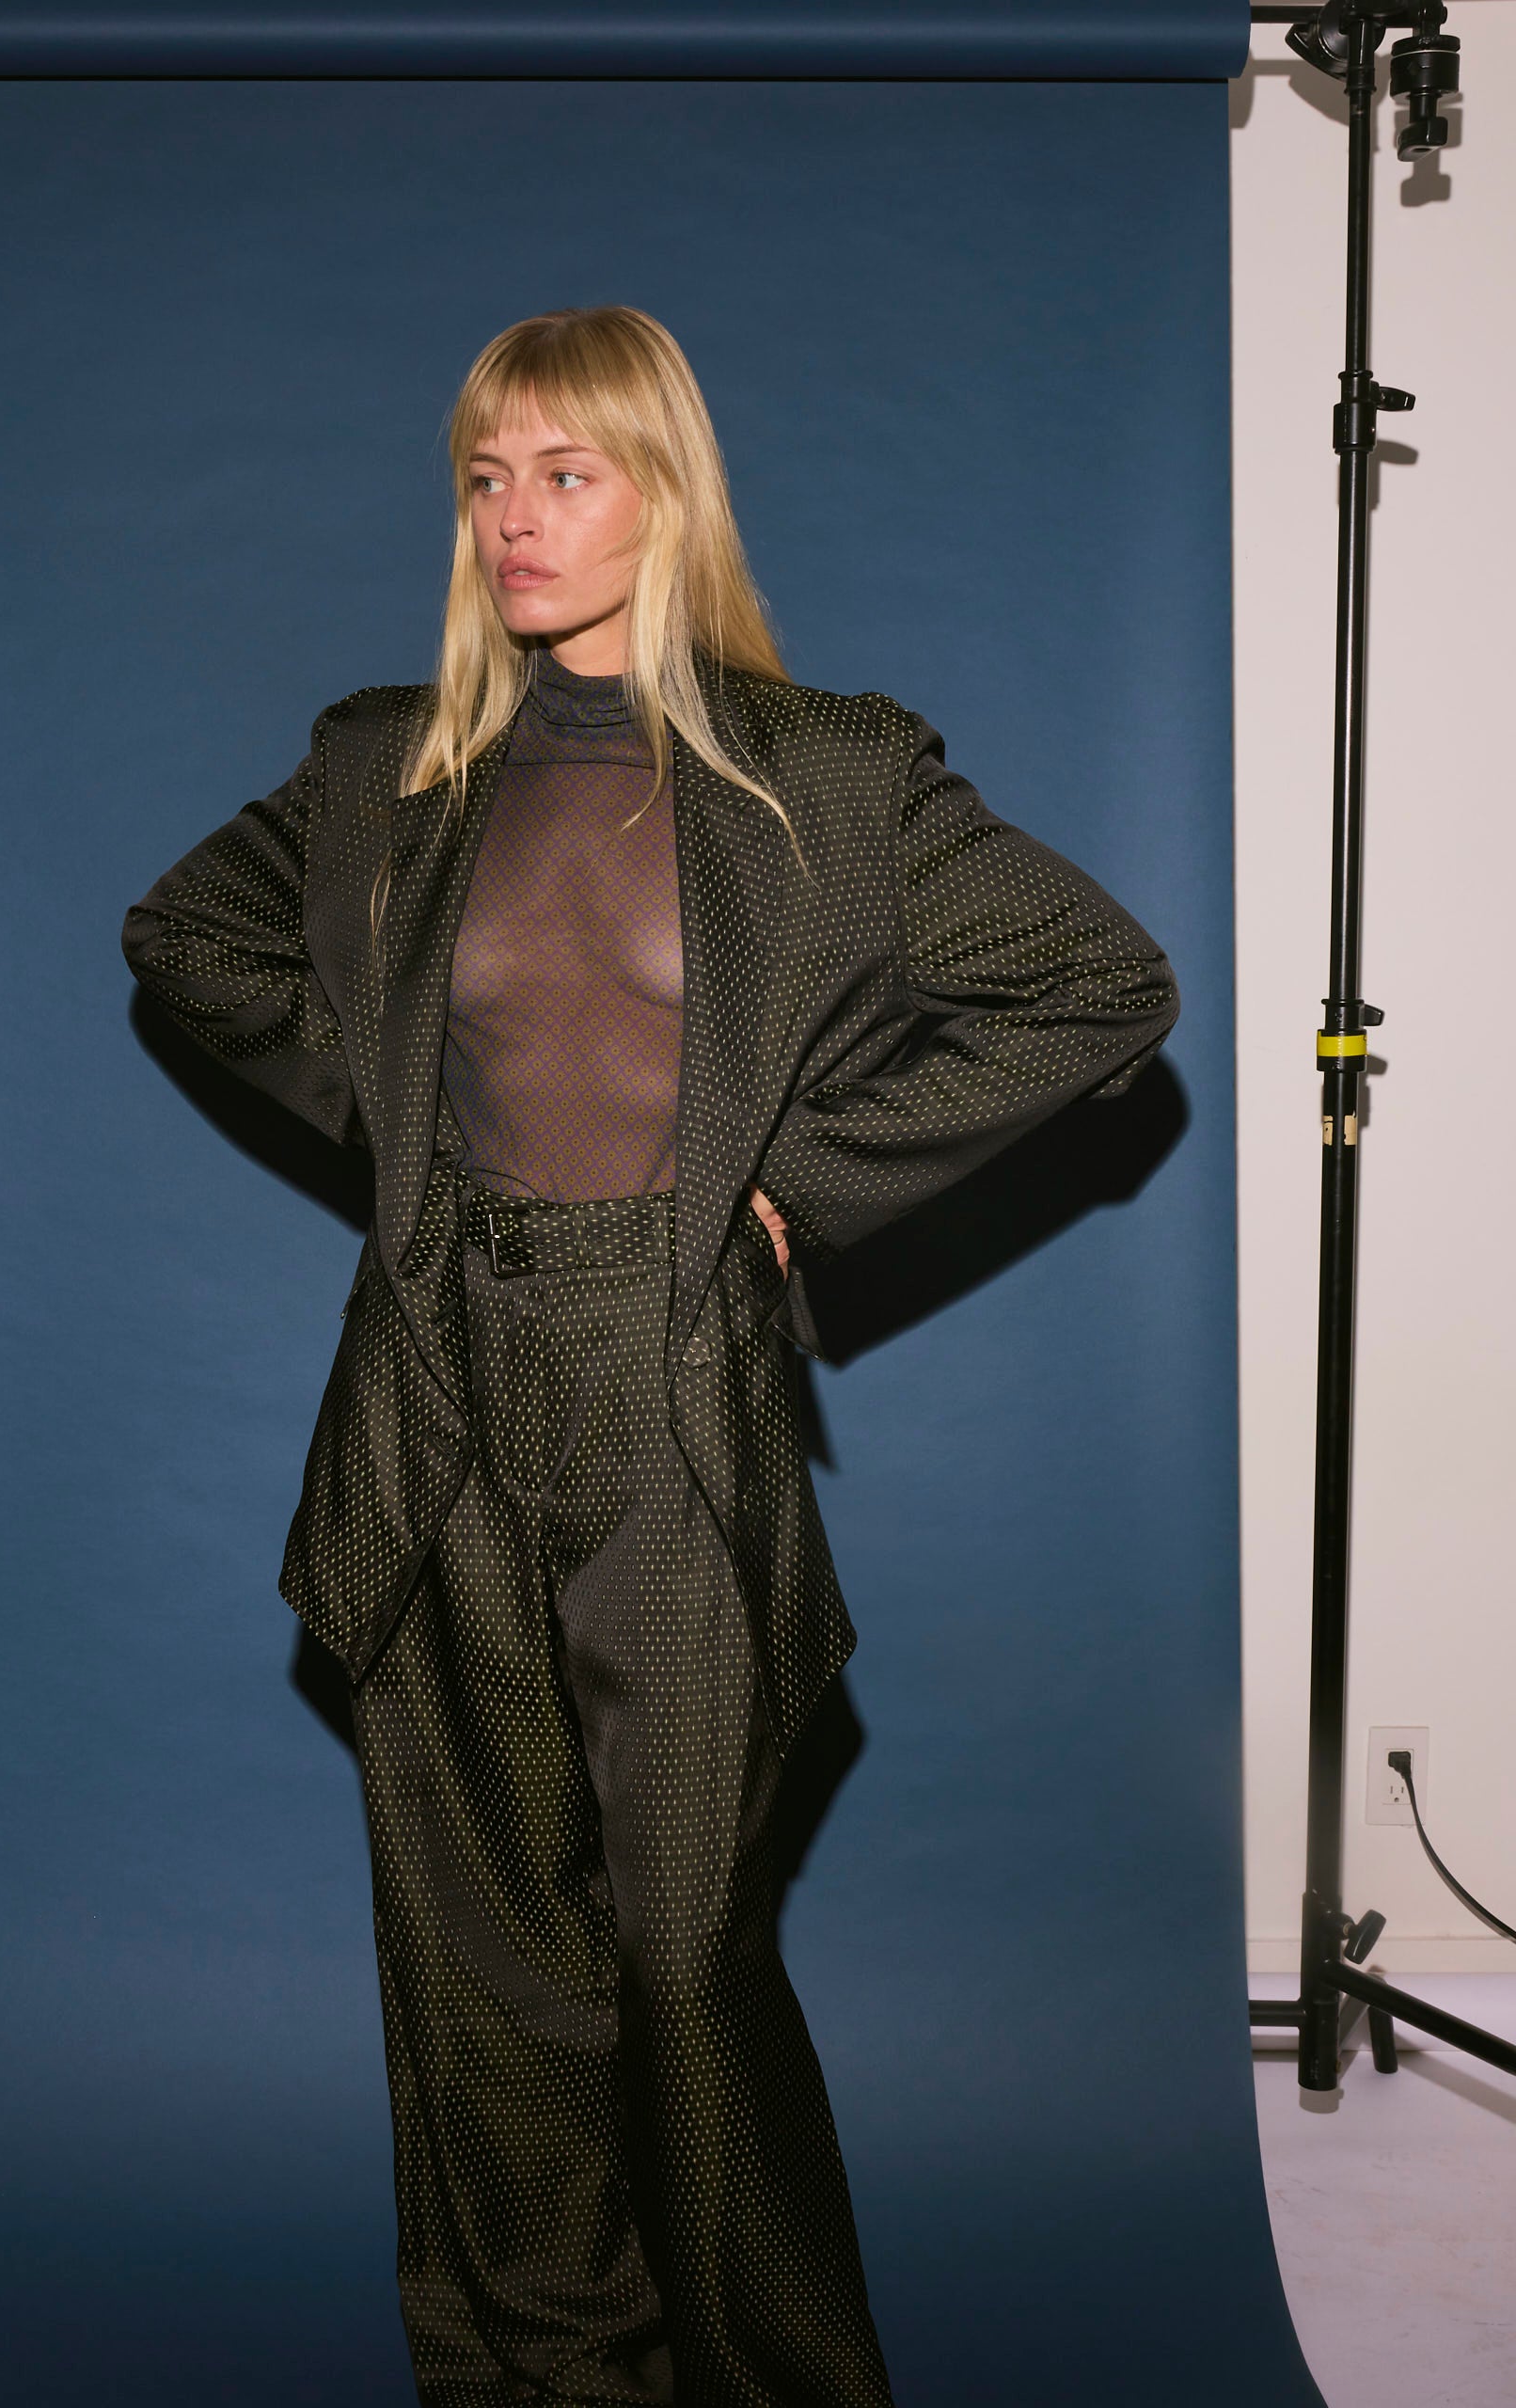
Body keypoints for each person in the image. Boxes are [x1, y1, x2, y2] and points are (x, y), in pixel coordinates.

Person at [120, 305, 1178, 2408]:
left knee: (682, 1957)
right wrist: (394, 1111)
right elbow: (186, 934)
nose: (516, 519)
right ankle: (539, 2373)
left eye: (565, 473)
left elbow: (1098, 982)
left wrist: (800, 1174)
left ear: (663, 490)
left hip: (665, 1379)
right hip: (433, 1383)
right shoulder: (378, 770)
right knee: (487, 1966)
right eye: (486, 478)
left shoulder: (834, 774)